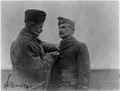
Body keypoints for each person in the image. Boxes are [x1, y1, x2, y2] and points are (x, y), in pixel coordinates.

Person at [4, 9, 59, 91]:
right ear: (31, 25)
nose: (42, 30)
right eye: (40, 26)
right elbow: (39, 69)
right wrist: (51, 56)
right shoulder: (26, 43)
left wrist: (55, 46)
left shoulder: (24, 38)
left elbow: (40, 44)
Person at [47, 16, 91, 91]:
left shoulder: (80, 46)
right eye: (59, 28)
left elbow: (85, 75)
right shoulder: (57, 48)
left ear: (72, 30)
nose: (60, 30)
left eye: (64, 27)